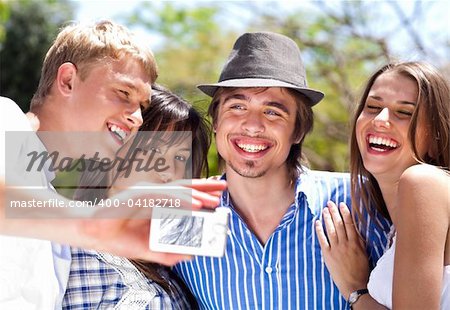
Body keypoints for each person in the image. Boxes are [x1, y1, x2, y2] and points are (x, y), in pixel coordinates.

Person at [0, 20, 225, 309]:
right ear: (68, 80)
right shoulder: (6, 121)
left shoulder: (59, 241)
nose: (137, 118)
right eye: (123, 93)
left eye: (142, 106)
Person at [174, 31, 390, 309]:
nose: (252, 126)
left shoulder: (360, 201)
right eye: (237, 107)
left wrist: (357, 290)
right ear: (215, 121)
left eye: (273, 112)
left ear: (298, 130)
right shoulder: (182, 214)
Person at [315, 61, 450, 309]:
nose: (380, 119)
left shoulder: (424, 182)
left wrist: (355, 288)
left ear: (435, 137)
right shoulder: (393, 225)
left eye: (405, 112)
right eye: (373, 106)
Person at [62, 84, 209, 309]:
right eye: (151, 152)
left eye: (180, 158)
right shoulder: (68, 252)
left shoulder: (179, 255)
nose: (169, 172)